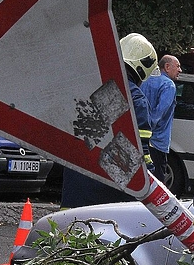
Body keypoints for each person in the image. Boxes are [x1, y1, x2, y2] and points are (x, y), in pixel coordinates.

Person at [60, 33, 157, 208]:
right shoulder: (134, 98)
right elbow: (141, 153)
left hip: (75, 191)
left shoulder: (87, 86)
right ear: (143, 69)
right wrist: (152, 187)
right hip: (109, 201)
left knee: (69, 226)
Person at [141, 54, 180, 187]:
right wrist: (150, 127)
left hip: (141, 140)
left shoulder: (145, 81)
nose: (180, 70)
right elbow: (159, 114)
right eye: (177, 66)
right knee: (156, 183)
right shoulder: (169, 85)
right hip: (157, 142)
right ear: (167, 67)